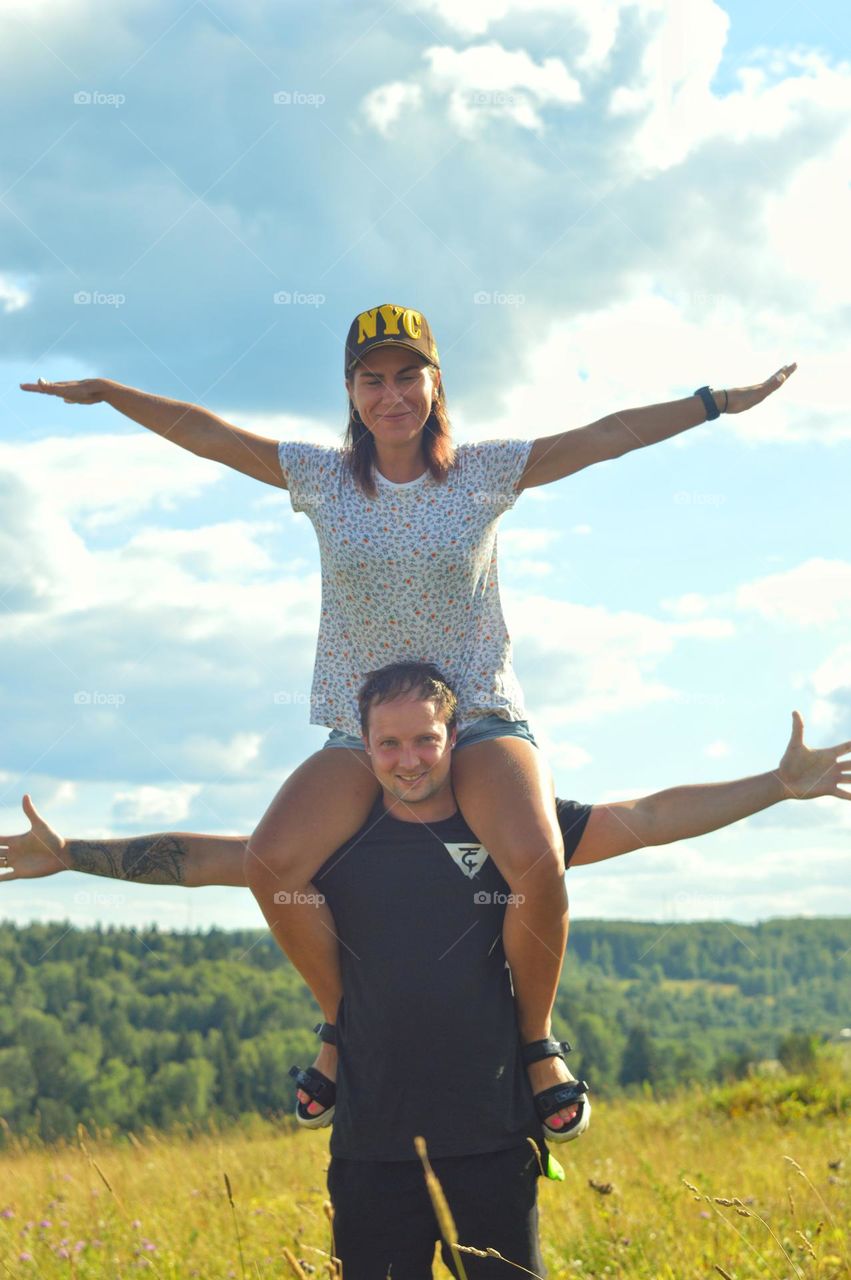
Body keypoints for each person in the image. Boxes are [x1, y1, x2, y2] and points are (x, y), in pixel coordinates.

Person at [19, 306, 798, 1135]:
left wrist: (714, 403)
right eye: (372, 379)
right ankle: (343, 1026)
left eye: (406, 376)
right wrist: (112, 393)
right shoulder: (320, 478)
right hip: (365, 733)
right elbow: (207, 434)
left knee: (536, 858)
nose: (390, 395)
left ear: (434, 384)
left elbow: (605, 435)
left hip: (478, 716)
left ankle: (535, 1042)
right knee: (273, 860)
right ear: (351, 392)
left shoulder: (484, 472)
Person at [2, 663, 848, 1278]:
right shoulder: (336, 843)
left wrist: (777, 785)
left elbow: (651, 816)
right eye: (388, 743)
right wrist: (71, 853)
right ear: (363, 747)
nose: (407, 758)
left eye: (424, 740)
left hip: (490, 1130)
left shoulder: (510, 832)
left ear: (454, 739)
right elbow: (200, 860)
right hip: (369, 1138)